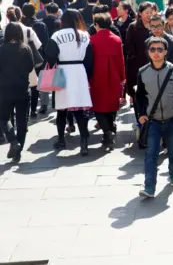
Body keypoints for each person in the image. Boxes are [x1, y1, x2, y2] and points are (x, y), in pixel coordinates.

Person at [137, 37, 173, 198]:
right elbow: (140, 96)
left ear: (165, 52)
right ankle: (149, 186)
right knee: (151, 153)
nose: (156, 53)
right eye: (153, 49)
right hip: (153, 121)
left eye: (160, 49)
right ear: (148, 52)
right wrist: (142, 114)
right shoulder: (143, 72)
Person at [44, 9, 93, 155]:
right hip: (79, 72)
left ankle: (61, 140)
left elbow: (49, 54)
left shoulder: (57, 35)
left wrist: (55, 64)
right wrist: (87, 75)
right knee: (80, 109)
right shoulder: (85, 35)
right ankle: (84, 142)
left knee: (62, 109)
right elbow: (89, 58)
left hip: (63, 71)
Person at [89, 13, 125, 150]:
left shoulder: (92, 40)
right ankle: (109, 129)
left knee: (98, 106)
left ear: (96, 25)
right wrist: (122, 77)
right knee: (112, 105)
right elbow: (121, 61)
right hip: (114, 76)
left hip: (97, 76)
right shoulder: (116, 40)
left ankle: (107, 132)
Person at [0, 23, 34, 163]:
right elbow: (31, 66)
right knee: (22, 122)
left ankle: (13, 141)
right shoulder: (25, 48)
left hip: (5, 90)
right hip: (23, 90)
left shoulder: (1, 49)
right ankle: (18, 154)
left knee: (3, 118)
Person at [125, 2, 153, 120]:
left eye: (151, 12)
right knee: (138, 96)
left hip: (154, 66)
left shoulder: (156, 25)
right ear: (140, 14)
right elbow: (128, 48)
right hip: (137, 67)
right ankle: (140, 120)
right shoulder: (133, 27)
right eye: (146, 13)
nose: (149, 15)